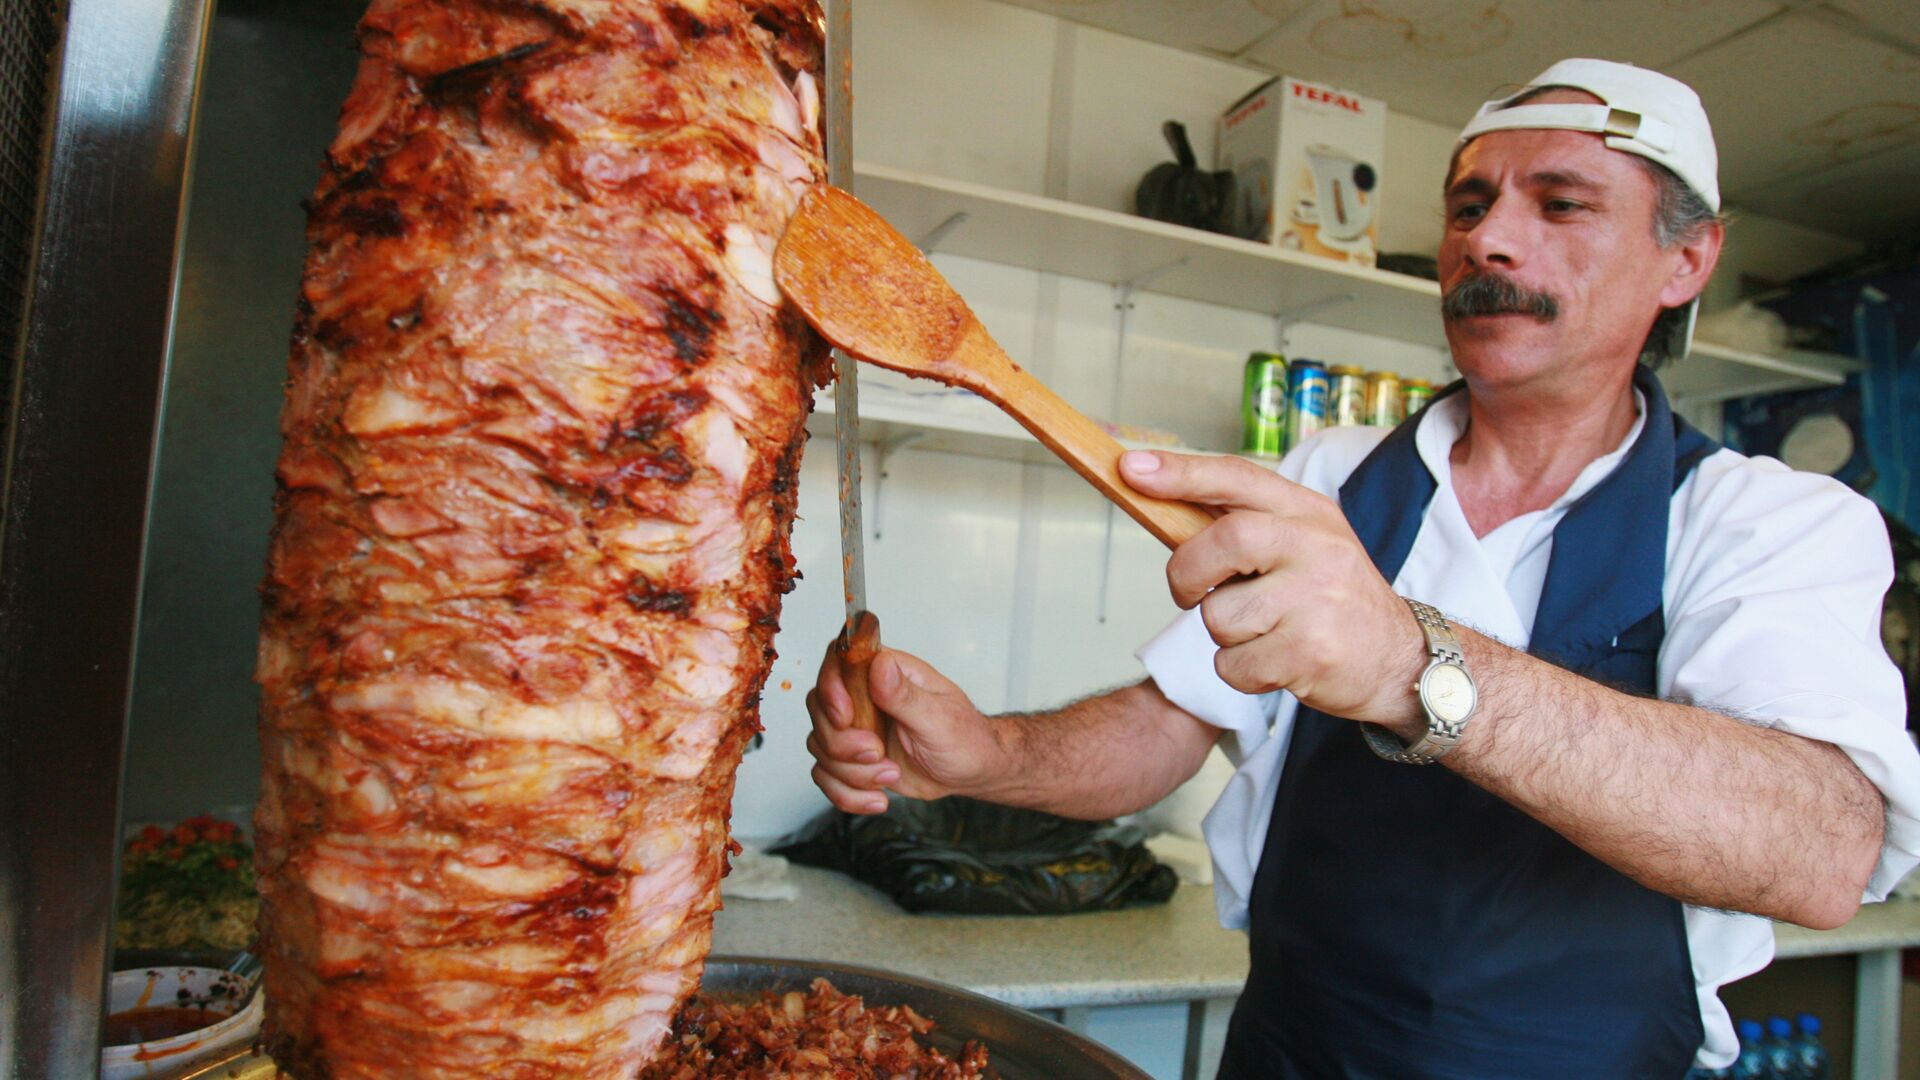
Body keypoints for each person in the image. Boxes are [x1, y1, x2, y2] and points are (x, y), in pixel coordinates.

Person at [804, 58, 1920, 1077]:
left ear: (1688, 258)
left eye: (1560, 203)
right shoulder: (1333, 475)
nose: (1488, 240)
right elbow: (1169, 722)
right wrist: (987, 755)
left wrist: (1409, 665)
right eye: (1469, 206)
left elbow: (1822, 850)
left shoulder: (1767, 523)